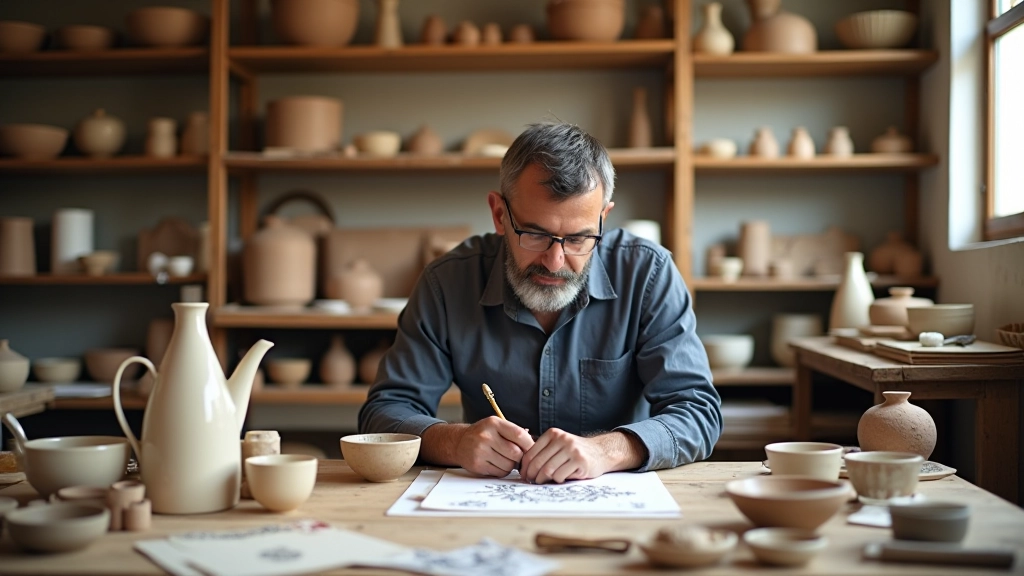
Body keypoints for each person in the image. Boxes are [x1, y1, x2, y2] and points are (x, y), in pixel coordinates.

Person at [359, 122, 722, 484]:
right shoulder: (447, 282)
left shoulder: (648, 275)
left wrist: (607, 450)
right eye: (535, 234)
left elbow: (698, 412)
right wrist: (455, 442)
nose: (555, 261)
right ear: (500, 215)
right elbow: (384, 414)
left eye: (579, 238)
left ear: (603, 217)